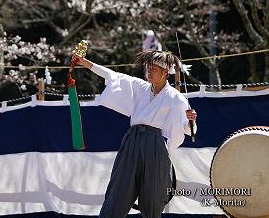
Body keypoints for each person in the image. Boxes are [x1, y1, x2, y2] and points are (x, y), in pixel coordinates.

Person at [74, 50, 197, 218]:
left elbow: (188, 130)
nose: (149, 71)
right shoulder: (140, 87)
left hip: (155, 144)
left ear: (165, 73)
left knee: (152, 196)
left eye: (154, 68)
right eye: (148, 67)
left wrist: (192, 120)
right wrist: (86, 63)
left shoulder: (176, 97)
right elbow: (112, 76)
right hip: (132, 141)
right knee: (119, 188)